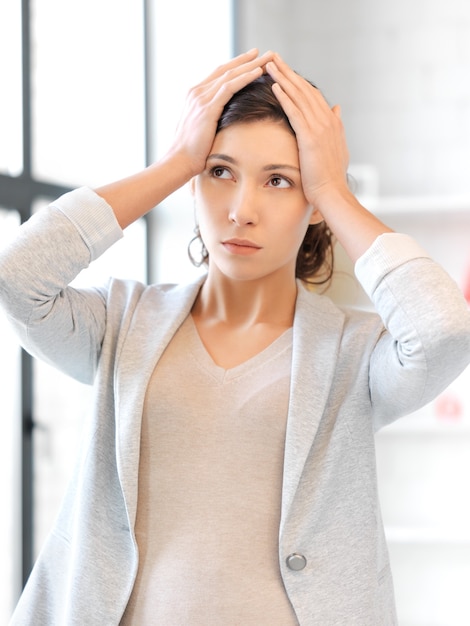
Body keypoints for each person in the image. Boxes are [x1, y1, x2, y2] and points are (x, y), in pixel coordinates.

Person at [1, 49, 469, 625]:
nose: (241, 210)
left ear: (313, 203)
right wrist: (174, 163)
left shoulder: (357, 355)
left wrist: (335, 190)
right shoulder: (120, 323)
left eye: (280, 181)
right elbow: (19, 278)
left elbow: (444, 330)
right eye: (220, 172)